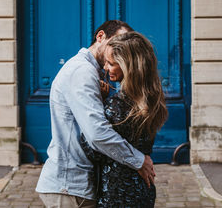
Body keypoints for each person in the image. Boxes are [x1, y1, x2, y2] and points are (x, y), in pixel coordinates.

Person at [35, 20, 156, 208]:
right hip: (70, 186)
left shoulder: (95, 73)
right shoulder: (82, 71)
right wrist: (139, 161)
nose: (118, 50)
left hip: (79, 185)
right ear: (100, 37)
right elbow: (97, 134)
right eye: (115, 43)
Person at [80, 32, 168, 207]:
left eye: (111, 64)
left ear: (128, 67)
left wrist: (100, 102)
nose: (104, 67)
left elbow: (90, 147)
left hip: (117, 194)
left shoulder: (116, 106)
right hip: (143, 189)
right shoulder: (151, 100)